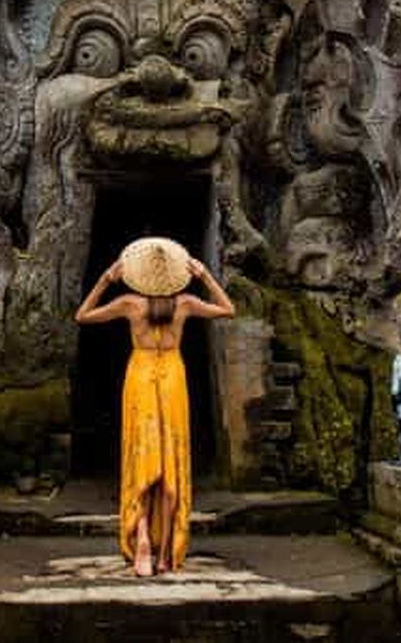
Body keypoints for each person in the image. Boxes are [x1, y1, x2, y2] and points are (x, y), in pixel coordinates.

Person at [74, 237, 234, 576]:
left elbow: (83, 315)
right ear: (178, 274)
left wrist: (106, 279)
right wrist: (205, 276)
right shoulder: (187, 303)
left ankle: (143, 535)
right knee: (170, 460)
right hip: (173, 378)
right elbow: (228, 309)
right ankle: (165, 553)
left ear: (138, 273)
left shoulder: (131, 304)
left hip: (141, 378)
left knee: (143, 456)